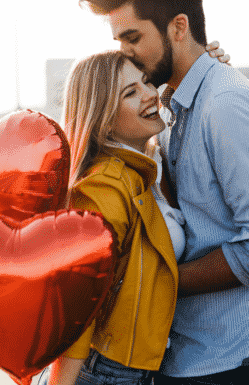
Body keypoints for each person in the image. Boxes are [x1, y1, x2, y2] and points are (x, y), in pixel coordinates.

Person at [37, 42, 229, 385]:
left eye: (145, 81)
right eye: (130, 92)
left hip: (146, 365)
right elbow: (79, 304)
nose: (149, 94)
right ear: (104, 119)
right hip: (108, 373)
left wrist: (208, 74)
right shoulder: (104, 189)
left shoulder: (147, 164)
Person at [77, 1, 249, 384]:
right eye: (119, 40)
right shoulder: (171, 108)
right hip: (177, 353)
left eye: (132, 37)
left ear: (178, 27)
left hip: (222, 360)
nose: (124, 51)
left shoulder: (222, 103)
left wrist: (155, 281)